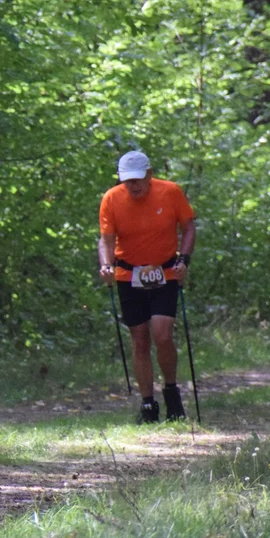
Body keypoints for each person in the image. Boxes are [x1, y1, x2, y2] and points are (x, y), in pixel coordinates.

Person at [98, 150, 196, 423]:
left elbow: (189, 227)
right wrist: (106, 265)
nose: (133, 186)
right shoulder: (111, 199)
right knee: (140, 339)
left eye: (138, 180)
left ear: (150, 174)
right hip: (128, 276)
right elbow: (105, 239)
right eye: (127, 180)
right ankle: (148, 405)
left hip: (165, 273)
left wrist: (184, 259)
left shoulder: (170, 192)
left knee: (162, 335)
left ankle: (172, 393)